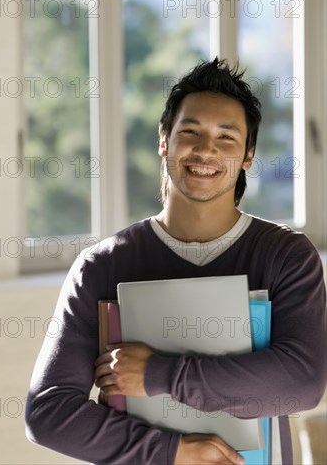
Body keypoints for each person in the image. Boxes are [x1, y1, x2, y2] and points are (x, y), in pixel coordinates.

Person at [25, 58, 327, 464]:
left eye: (226, 137)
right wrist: (171, 451)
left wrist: (158, 374)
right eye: (191, 131)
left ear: (248, 156)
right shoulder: (102, 266)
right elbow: (48, 412)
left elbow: (302, 384)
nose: (206, 150)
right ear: (164, 140)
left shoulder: (286, 256)